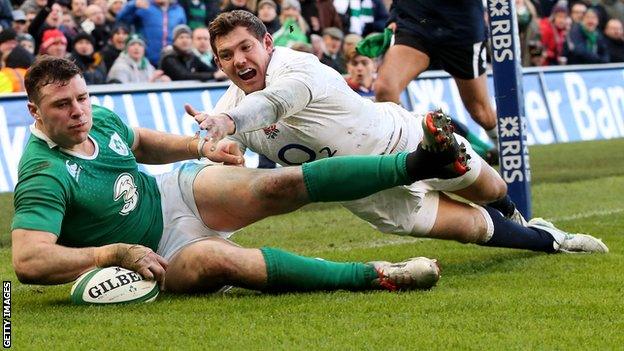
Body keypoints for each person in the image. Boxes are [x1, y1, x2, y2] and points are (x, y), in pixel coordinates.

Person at [12, 56, 455, 293]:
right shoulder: (42, 172)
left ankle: (419, 162)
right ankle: (376, 275)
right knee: (222, 262)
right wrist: (110, 254)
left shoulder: (96, 115)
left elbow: (141, 142)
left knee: (277, 183)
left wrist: (199, 147)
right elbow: (29, 261)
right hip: (155, 251)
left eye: (83, 99)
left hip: (173, 192)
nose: (78, 112)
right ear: (34, 111)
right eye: (62, 106)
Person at [196, 10, 608, 256]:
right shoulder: (227, 110)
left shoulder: (297, 67)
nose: (239, 60)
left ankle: (516, 213)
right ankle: (552, 241)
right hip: (372, 194)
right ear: (218, 63)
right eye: (227, 55)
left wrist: (230, 125)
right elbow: (214, 162)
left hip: (405, 139)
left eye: (247, 47)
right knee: (473, 229)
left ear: (268, 43)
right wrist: (214, 149)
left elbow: (275, 102)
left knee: (490, 188)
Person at [373, 1, 499, 148]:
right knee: (385, 89)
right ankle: (405, 155)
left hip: (461, 26)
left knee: (481, 113)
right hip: (416, 21)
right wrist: (394, 15)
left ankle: (506, 150)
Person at [159, 24, 226, 81]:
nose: (184, 40)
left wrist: (223, 73)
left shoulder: (191, 56)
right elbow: (184, 75)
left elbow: (208, 69)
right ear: (174, 41)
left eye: (187, 37)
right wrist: (213, 75)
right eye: (181, 37)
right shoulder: (169, 57)